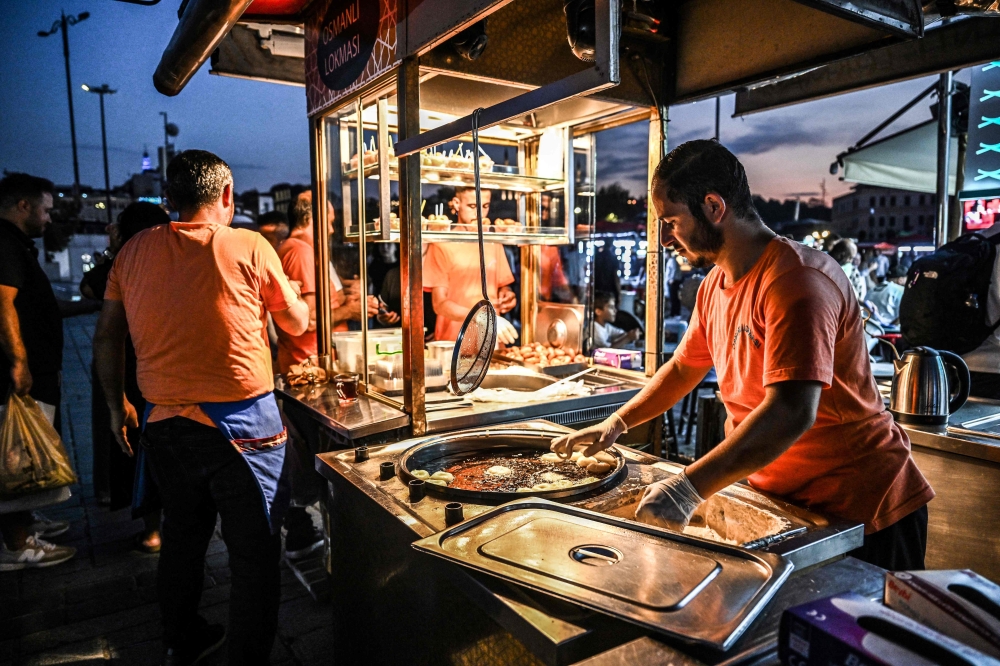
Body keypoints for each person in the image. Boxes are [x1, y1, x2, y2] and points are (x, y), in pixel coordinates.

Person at [551, 140, 933, 571]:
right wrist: (617, 422)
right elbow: (683, 367)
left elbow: (791, 412)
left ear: (714, 206)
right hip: (785, 500)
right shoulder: (716, 285)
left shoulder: (796, 281)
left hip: (864, 510)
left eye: (671, 221)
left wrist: (688, 487)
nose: (664, 238)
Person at [93, 150, 310, 665]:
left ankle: (182, 639)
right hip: (243, 430)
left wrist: (113, 404)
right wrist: (292, 297)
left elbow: (107, 338)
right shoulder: (250, 245)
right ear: (227, 196)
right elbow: (298, 324)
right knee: (254, 556)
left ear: (169, 197)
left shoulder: (131, 253)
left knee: (182, 542)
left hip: (164, 424)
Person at [0, 173, 99, 571]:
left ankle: (24, 522)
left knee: (22, 454)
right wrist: (19, 363)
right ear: (22, 206)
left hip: (33, 370)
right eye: (45, 208)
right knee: (16, 456)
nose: (48, 217)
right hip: (17, 374)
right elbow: (3, 306)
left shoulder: (15, 245)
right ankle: (17, 544)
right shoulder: (5, 244)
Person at [82, 202, 169, 553]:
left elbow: (90, 289)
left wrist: (114, 249)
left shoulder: (124, 263)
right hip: (167, 365)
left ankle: (152, 531)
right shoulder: (172, 261)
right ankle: (172, 526)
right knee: (169, 447)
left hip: (132, 365)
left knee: (140, 447)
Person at [423, 187, 517, 344]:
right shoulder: (442, 244)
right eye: (472, 206)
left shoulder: (493, 241)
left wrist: (507, 295)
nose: (479, 213)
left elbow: (502, 285)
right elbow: (439, 304)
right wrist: (480, 316)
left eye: (485, 206)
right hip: (454, 342)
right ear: (457, 203)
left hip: (491, 339)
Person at [830, 238, 866, 304]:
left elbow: (854, 294)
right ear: (841, 255)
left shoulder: (850, 269)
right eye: (850, 258)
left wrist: (864, 303)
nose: (851, 261)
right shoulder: (824, 266)